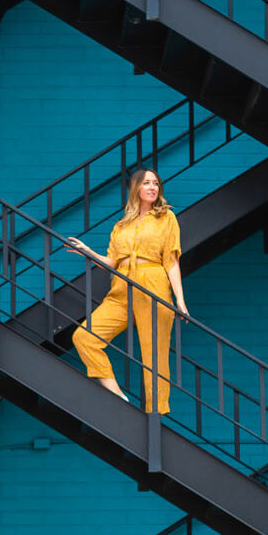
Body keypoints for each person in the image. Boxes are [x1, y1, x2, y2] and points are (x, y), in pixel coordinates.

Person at [67, 168, 188, 414]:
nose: (153, 187)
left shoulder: (166, 218)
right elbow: (112, 261)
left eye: (156, 183)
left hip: (152, 284)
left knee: (155, 356)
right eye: (146, 183)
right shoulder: (121, 226)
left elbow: (171, 262)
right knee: (84, 337)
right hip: (121, 288)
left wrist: (180, 301)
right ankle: (116, 394)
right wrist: (88, 252)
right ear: (136, 189)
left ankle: (155, 413)